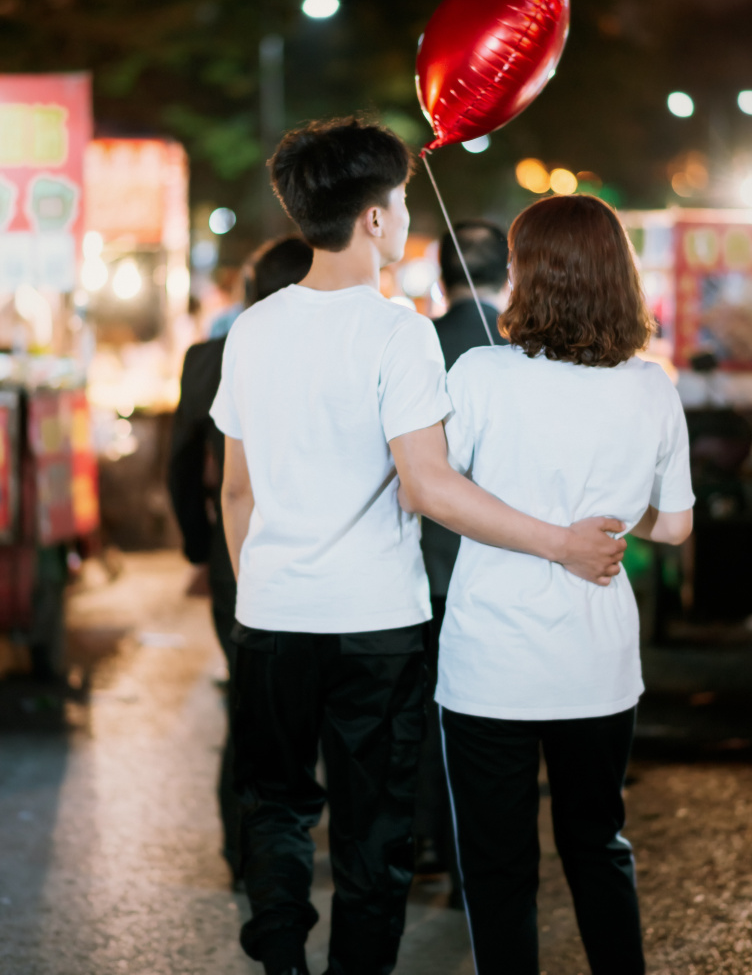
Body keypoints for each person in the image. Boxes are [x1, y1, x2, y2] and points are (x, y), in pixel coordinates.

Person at [210, 117, 627, 975]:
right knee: (374, 832)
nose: (405, 216)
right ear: (373, 217)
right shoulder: (396, 331)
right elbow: (428, 486)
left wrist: (263, 591)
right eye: (401, 200)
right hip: (375, 625)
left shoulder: (252, 328)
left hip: (271, 616)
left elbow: (236, 491)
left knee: (274, 804)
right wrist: (559, 543)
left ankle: (281, 958)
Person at [423, 194, 695, 975]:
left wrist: (538, 521)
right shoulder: (650, 385)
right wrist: (606, 519)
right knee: (597, 846)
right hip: (597, 662)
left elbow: (440, 492)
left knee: (497, 868)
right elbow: (675, 525)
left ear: (527, 275)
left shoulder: (479, 373)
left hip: (489, 661)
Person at [168, 236, 312, 882]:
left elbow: (180, 465)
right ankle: (296, 829)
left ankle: (244, 848)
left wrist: (198, 546)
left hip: (236, 554)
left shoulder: (207, 357)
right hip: (317, 550)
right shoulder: (321, 350)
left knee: (249, 697)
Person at [416, 219, 508, 887]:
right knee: (489, 714)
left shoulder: (415, 343)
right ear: (508, 273)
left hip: (423, 558)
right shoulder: (526, 347)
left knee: (427, 706)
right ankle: (475, 851)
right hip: (506, 554)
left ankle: (428, 838)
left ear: (441, 274)